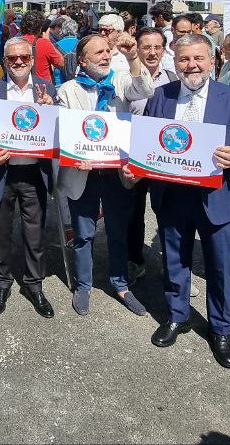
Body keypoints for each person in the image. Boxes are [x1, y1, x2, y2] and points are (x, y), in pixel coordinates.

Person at [131, 33, 230, 369]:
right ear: (174, 62)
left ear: (212, 60)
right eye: (183, 59)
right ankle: (178, 316)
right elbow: (148, 141)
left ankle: (221, 329)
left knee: (220, 267)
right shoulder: (161, 96)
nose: (191, 65)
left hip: (217, 198)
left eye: (198, 59)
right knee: (175, 260)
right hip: (173, 195)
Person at [56, 32, 153, 317]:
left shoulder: (120, 80)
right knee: (84, 233)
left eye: (107, 52)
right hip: (82, 172)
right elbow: (65, 130)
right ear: (83, 61)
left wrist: (133, 56)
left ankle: (121, 283)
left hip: (115, 171)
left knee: (117, 230)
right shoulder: (68, 90)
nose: (105, 56)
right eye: (97, 53)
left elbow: (145, 88)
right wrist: (76, 157)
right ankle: (83, 284)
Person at [0, 37, 58, 318]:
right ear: (4, 62)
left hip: (34, 172)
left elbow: (57, 133)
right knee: (0, 230)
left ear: (32, 59)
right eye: (13, 58)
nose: (19, 62)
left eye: (24, 57)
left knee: (35, 233)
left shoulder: (46, 89)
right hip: (2, 171)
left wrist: (51, 111)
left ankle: (34, 285)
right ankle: (2, 283)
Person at [126, 26, 179, 283]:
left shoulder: (173, 78)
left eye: (157, 47)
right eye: (146, 47)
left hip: (164, 157)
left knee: (168, 213)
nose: (152, 52)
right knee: (133, 213)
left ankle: (175, 269)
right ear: (137, 48)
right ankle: (135, 260)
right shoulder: (125, 77)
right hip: (133, 154)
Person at [21, 10, 63, 84]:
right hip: (42, 88)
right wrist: (48, 41)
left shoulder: (15, 42)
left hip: (20, 87)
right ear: (40, 27)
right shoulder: (44, 43)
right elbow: (61, 63)